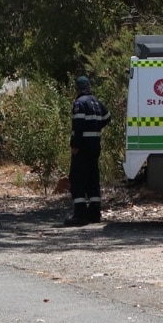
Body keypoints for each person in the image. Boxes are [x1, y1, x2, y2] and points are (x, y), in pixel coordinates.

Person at [62, 75, 109, 226]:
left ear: (77, 88)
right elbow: (107, 117)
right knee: (92, 178)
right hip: (95, 146)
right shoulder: (96, 102)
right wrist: (96, 127)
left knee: (78, 179)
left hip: (82, 147)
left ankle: (80, 214)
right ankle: (95, 213)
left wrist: (75, 146)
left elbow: (78, 126)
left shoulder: (79, 103)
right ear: (89, 87)